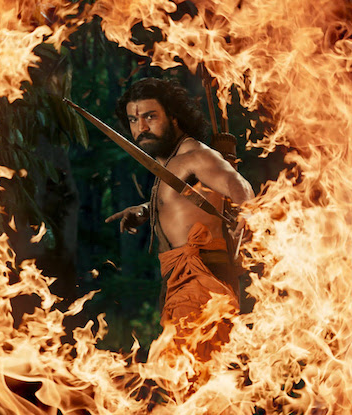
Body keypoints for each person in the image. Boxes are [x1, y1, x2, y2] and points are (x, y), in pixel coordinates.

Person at [105, 78, 254, 361]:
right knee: (188, 373)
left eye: (150, 116)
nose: (141, 127)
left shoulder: (194, 155)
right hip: (182, 281)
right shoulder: (171, 162)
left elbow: (237, 183)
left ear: (174, 116)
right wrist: (145, 210)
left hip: (200, 280)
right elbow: (184, 200)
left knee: (189, 372)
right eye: (134, 119)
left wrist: (247, 210)